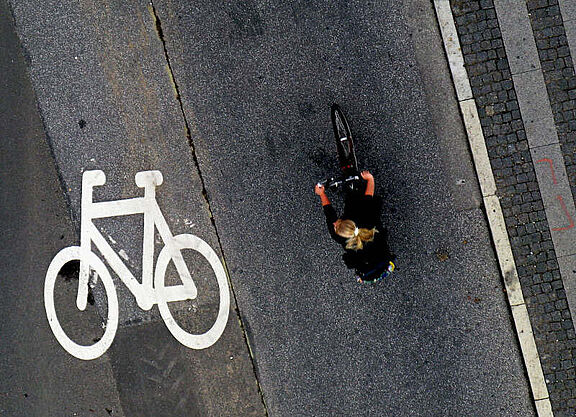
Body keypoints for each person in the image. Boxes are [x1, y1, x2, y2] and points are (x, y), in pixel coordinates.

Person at [315, 170, 395, 283]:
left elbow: (330, 214)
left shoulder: (364, 225)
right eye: (336, 225)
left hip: (376, 252)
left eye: (335, 226)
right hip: (361, 217)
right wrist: (370, 178)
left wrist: (322, 195)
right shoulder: (360, 219)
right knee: (361, 204)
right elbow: (368, 197)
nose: (334, 224)